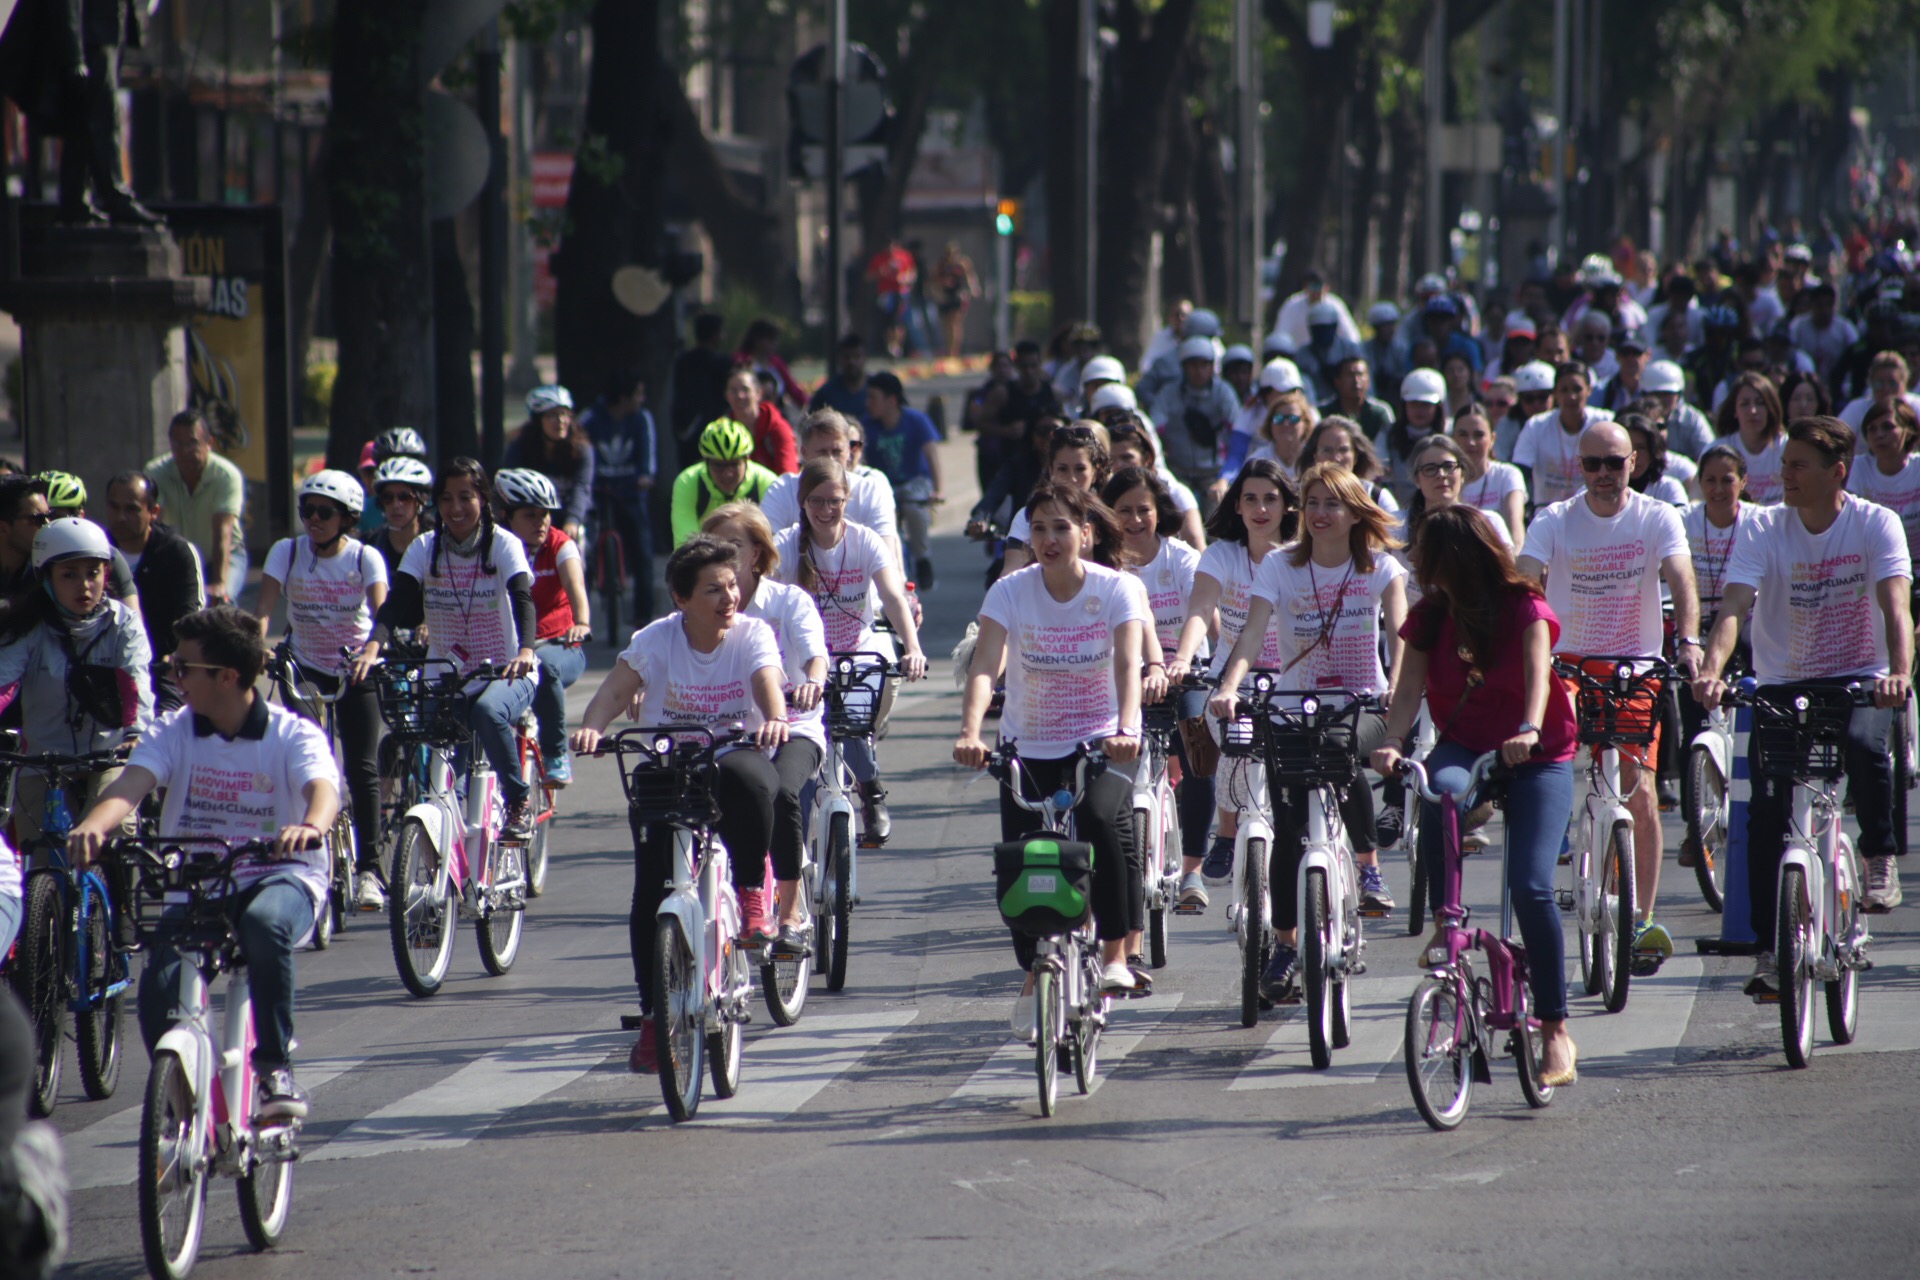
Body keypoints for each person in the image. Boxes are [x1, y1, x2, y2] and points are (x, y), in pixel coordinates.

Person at [68, 604, 339, 1120]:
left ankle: (276, 1068)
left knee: (263, 924)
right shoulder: (174, 730)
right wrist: (95, 825)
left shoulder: (291, 734)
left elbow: (321, 790)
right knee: (159, 982)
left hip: (282, 873)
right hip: (200, 881)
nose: (173, 677)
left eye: (182, 667)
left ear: (227, 676)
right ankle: (180, 1095)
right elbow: (129, 786)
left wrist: (311, 825)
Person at [1694, 417, 1913, 988]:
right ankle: (1772, 952)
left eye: (1797, 465)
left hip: (1859, 678)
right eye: (1784, 462)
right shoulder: (1763, 526)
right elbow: (1734, 607)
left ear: (1837, 472)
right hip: (1782, 683)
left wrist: (1898, 673)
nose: (1783, 474)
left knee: (1865, 746)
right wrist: (1712, 671)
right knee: (1766, 814)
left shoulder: (1876, 524)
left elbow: (1896, 608)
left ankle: (1878, 857)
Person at [1371, 506, 1580, 1087]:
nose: (1415, 563)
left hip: (1536, 751)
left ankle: (1556, 1030)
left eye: (1424, 553)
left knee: (1532, 887)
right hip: (1465, 744)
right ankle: (1448, 920)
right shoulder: (1431, 615)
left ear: (1454, 558)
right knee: (1438, 793)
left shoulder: (1524, 606)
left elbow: (1540, 677)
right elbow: (1409, 685)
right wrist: (1392, 741)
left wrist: (1530, 728)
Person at [569, 537, 794, 1072]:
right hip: (670, 766)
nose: (728, 596)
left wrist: (776, 715)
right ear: (681, 598)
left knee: (751, 779)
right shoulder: (657, 639)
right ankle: (653, 1017)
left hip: (731, 756)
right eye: (713, 588)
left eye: (732, 584)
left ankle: (750, 892)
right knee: (650, 892)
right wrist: (591, 728)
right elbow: (616, 691)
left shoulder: (752, 634)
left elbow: (767, 685)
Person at [954, 481, 1151, 1021]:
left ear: (1085, 535)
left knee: (1096, 819)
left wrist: (1126, 727)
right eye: (1038, 528)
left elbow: (1126, 665)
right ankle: (1033, 969)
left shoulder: (1116, 590)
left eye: (1061, 527)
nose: (1048, 539)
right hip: (1028, 746)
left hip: (1102, 742)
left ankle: (1115, 953)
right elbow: (985, 667)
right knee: (1024, 863)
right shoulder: (1011, 591)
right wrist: (971, 733)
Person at [1211, 464, 1406, 995]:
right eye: (1313, 503)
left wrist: (1395, 684)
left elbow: (1401, 633)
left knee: (1341, 753)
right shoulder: (1279, 565)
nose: (1320, 514)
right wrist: (1229, 687)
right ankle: (1286, 945)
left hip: (1363, 703)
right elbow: (1251, 635)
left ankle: (1367, 868)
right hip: (1295, 703)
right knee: (1289, 822)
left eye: (1332, 504)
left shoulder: (1381, 569)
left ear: (1354, 512)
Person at [1518, 421, 1699, 962]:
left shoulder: (1657, 516)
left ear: (1634, 463)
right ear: (1579, 467)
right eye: (1592, 464)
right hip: (1566, 664)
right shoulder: (1553, 519)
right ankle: (1551, 855)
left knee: (1641, 794)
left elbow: (1681, 579)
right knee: (1544, 763)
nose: (1603, 474)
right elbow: (1526, 580)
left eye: (1614, 463)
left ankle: (1642, 920)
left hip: (1634, 669)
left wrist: (1688, 642)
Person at [360, 459, 542, 836]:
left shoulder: (504, 545)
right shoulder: (424, 548)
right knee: (430, 760)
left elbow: (522, 598)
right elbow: (397, 601)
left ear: (484, 500)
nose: (456, 508)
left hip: (506, 671)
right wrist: (373, 645)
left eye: (466, 497)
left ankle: (517, 800)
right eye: (446, 499)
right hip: (445, 675)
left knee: (488, 712)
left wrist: (525, 650)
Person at [0, 519, 153, 953]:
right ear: (46, 578)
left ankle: (120, 910)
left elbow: (135, 685)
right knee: (40, 855)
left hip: (107, 754)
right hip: (43, 759)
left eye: (94, 572)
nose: (84, 585)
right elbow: (4, 683)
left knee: (114, 828)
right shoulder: (27, 627)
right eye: (69, 574)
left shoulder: (123, 624)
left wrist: (134, 734)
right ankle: (40, 950)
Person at [251, 470, 389, 910]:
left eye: (324, 512)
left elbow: (382, 616)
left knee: (362, 767)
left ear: (347, 518)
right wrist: (257, 646)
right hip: (305, 666)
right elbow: (263, 613)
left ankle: (370, 868)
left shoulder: (365, 557)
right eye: (307, 510)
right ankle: (302, 857)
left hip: (355, 671)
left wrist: (371, 651)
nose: (313, 519)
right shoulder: (286, 551)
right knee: (305, 764)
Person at [773, 458, 928, 840]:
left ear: (848, 499)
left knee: (853, 730)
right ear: (802, 501)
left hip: (856, 656)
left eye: (835, 501)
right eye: (816, 501)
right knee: (808, 745)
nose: (826, 510)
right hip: (806, 664)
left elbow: (893, 598)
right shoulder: (788, 545)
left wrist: (912, 646)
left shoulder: (864, 541)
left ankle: (871, 792)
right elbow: (758, 592)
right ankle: (796, 832)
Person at [700, 503, 829, 950]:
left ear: (757, 554)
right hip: (735, 732)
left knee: (782, 792)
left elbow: (815, 652)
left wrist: (812, 681)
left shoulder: (789, 601)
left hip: (794, 726)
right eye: (717, 546)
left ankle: (791, 914)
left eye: (735, 546)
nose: (726, 556)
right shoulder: (706, 605)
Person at [1167, 460, 1297, 887]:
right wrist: (1184, 659)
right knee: (1233, 739)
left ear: (1287, 505)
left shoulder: (1302, 554)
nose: (1261, 509)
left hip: (1293, 677)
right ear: (1237, 507)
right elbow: (1201, 610)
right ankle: (1225, 832)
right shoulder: (1221, 554)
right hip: (1231, 678)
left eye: (1271, 499)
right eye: (1251, 499)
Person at [1103, 466, 1213, 906]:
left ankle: (1192, 871)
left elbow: (1201, 615)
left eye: (1142, 510)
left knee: (1200, 752)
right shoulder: (1102, 565)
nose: (1134, 520)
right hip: (1127, 676)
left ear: (1158, 511)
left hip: (1185, 672)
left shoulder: (1182, 557)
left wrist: (1184, 663)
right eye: (1123, 511)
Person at [494, 469, 591, 795]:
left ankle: (555, 754)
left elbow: (576, 586)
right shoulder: (495, 547)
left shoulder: (560, 545)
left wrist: (582, 622)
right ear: (506, 516)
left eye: (546, 514)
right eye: (530, 515)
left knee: (545, 666)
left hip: (561, 646)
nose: (541, 522)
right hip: (510, 648)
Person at [102, 471, 204, 715]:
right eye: (114, 507)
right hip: (106, 672)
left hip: (164, 672)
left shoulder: (177, 552)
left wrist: (178, 654)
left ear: (154, 512)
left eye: (132, 509)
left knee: (163, 729)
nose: (121, 517)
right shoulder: (96, 549)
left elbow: (191, 618)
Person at [576, 371, 658, 624]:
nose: (642, 399)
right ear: (624, 398)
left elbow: (648, 456)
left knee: (643, 550)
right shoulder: (590, 419)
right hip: (597, 492)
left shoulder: (641, 418)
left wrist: (645, 475)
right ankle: (580, 613)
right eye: (638, 394)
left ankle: (643, 614)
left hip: (630, 491)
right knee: (582, 549)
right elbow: (578, 453)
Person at [763, 410, 901, 559]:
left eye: (836, 452)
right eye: (822, 452)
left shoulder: (870, 491)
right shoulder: (781, 490)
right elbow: (766, 554)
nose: (830, 460)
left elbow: (887, 557)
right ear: (803, 453)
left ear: (848, 452)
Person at [145, 409, 246, 606]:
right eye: (177, 445)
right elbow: (153, 525)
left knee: (223, 602)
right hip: (179, 556)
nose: (184, 452)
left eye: (192, 443)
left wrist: (219, 583)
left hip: (225, 553)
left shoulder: (226, 475)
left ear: (209, 443)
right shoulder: (156, 472)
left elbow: (223, 532)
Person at [862, 371, 944, 587]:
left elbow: (932, 455)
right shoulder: (866, 426)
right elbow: (859, 460)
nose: (867, 403)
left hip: (915, 482)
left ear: (891, 400)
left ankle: (922, 558)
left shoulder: (916, 420)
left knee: (915, 508)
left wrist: (938, 490)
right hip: (884, 485)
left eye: (873, 397)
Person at [1152, 336, 1243, 506]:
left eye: (1204, 364)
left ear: (1212, 366)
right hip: (1177, 470)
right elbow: (1154, 429)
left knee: (1216, 521)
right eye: (1193, 365)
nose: (1199, 371)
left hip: (1213, 474)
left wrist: (1225, 477)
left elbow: (1237, 433)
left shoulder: (1224, 392)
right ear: (1183, 367)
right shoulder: (1168, 393)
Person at [1513, 361, 1616, 508]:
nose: (1571, 396)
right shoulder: (1536, 425)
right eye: (1564, 390)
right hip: (1547, 511)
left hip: (1594, 510)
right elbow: (1521, 470)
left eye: (1577, 389)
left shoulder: (1606, 422)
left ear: (1589, 390)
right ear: (1555, 393)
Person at [502, 386, 594, 543]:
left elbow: (582, 487)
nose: (560, 421)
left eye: (564, 414)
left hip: (570, 515)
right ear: (538, 420)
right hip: (531, 518)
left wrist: (573, 520)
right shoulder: (520, 446)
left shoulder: (582, 449)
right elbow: (507, 486)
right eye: (552, 415)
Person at [669, 419, 778, 548]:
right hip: (705, 561)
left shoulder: (769, 483)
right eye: (718, 465)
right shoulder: (688, 482)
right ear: (706, 462)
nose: (728, 474)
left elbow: (775, 545)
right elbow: (686, 547)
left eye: (734, 464)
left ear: (747, 459)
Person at [1217, 359, 1312, 497]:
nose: (1291, 395)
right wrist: (1224, 480)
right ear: (1266, 393)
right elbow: (1236, 454)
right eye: (1284, 390)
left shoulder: (1309, 412)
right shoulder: (1249, 412)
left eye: (1294, 390)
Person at [1108, 419, 1207, 548]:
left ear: (1147, 459)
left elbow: (1195, 544)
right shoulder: (1102, 493)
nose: (1118, 465)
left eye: (1127, 457)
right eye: (1111, 459)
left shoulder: (1175, 493)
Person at [1847, 399, 1920, 563]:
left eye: (1888, 427)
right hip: (1876, 567)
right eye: (1872, 429)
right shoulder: (1857, 468)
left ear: (1908, 432)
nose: (1879, 434)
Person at [1450, 406, 1526, 543]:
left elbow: (1515, 529)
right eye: (1463, 435)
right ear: (1452, 439)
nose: (1471, 442)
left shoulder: (1507, 475)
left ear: (1492, 439)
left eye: (1478, 435)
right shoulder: (1445, 479)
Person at [1712, 371, 1787, 504]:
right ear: (1734, 410)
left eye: (1760, 403)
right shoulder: (1718, 450)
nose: (1753, 411)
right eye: (1744, 404)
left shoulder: (1787, 447)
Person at [1379, 368, 1449, 502]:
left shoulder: (1450, 432)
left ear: (1439, 407)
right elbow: (1378, 463)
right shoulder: (1389, 433)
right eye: (1413, 404)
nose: (1419, 410)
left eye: (1426, 405)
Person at [1303, 417, 1401, 512]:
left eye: (1343, 450)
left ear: (1356, 456)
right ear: (1315, 456)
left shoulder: (1377, 498)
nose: (1336, 458)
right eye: (1327, 450)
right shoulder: (1302, 496)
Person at [721, 366, 798, 477]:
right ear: (726, 396)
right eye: (733, 390)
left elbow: (787, 476)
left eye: (745, 389)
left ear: (759, 393)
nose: (740, 396)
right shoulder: (721, 429)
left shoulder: (778, 427)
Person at [671, 312, 735, 444]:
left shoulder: (683, 361)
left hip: (686, 430)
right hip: (715, 430)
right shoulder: (722, 363)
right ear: (714, 334)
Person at [1639, 359, 1717, 460]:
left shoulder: (1693, 419)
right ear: (1644, 395)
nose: (1661, 400)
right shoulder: (1636, 417)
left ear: (1679, 394)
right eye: (1656, 394)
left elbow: (1710, 455)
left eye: (1667, 394)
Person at [1318, 347, 1396, 446]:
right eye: (1350, 375)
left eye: (1360, 374)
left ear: (1368, 381)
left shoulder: (1380, 412)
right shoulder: (1322, 413)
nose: (1356, 380)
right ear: (1337, 381)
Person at [1269, 268, 1362, 350]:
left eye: (1318, 287)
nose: (1316, 292)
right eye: (1312, 287)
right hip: (1299, 358)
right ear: (1304, 287)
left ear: (1326, 287)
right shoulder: (1292, 305)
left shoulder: (1335, 305)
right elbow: (1280, 335)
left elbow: (1351, 337)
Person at [736, 317, 808, 414]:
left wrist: (809, 405)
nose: (775, 344)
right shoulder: (740, 361)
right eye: (771, 340)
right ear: (758, 340)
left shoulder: (776, 363)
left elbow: (794, 390)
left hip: (776, 415)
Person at [1623, 413, 1691, 506]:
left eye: (1641, 448)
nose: (1634, 455)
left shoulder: (1668, 489)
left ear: (1652, 451)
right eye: (1628, 447)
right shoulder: (1601, 490)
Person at [932, 241, 980, 358]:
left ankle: (954, 352)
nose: (951, 257)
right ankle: (948, 350)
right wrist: (937, 294)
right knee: (946, 324)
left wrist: (973, 289)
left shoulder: (962, 264)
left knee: (955, 322)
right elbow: (934, 281)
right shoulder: (941, 265)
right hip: (946, 295)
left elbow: (970, 278)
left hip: (958, 295)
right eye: (949, 254)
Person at [810, 333, 871, 421]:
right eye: (847, 357)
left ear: (865, 358)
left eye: (857, 356)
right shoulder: (825, 394)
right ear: (838, 359)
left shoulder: (877, 390)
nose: (852, 362)